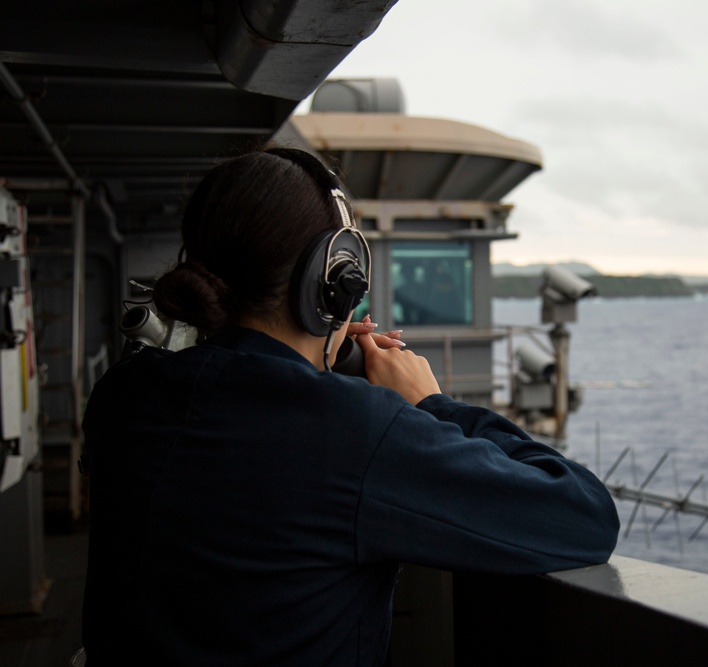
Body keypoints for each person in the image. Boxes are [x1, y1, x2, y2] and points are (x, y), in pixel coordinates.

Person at [81, 147, 619, 666]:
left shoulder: (123, 394)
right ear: (331, 285)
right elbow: (584, 516)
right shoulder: (358, 434)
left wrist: (321, 368)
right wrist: (430, 404)